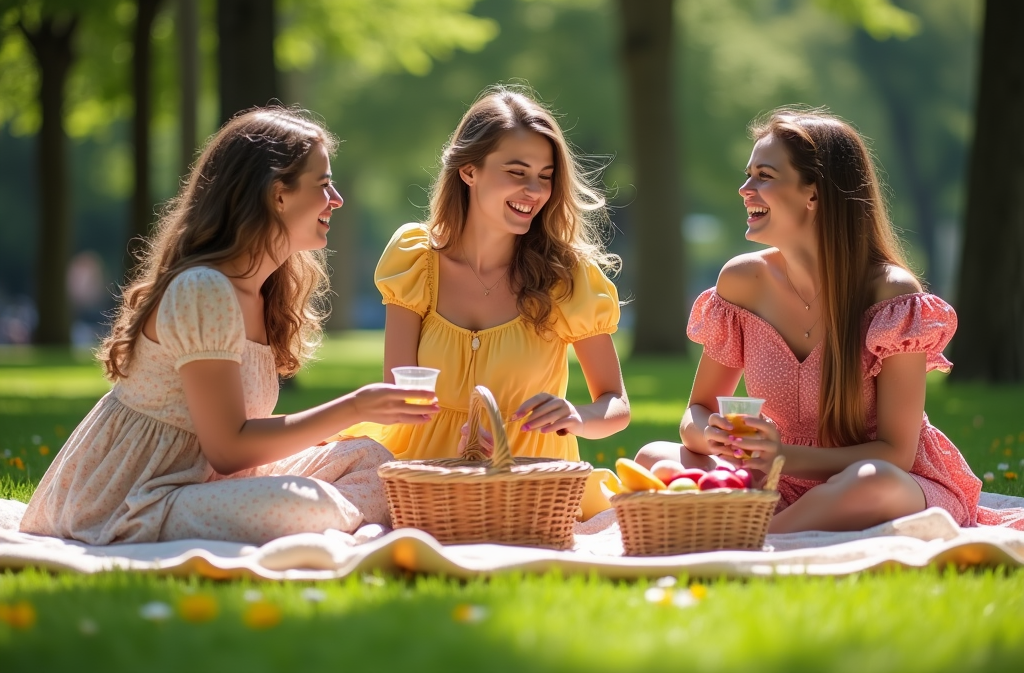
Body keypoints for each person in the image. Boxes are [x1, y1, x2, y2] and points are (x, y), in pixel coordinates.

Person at [20, 107, 438, 546]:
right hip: (137, 498)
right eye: (322, 185)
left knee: (372, 460)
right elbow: (229, 448)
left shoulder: (263, 291)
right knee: (305, 504)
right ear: (279, 195)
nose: (336, 199)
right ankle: (342, 522)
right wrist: (355, 406)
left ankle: (339, 521)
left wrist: (347, 428)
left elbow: (236, 447)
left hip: (209, 482)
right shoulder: (204, 289)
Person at [636, 107, 1023, 533]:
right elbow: (698, 410)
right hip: (777, 479)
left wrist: (782, 454)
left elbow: (895, 452)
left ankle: (754, 533)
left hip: (882, 480)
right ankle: (770, 523)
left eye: (764, 175)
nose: (745, 189)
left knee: (871, 484)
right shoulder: (741, 281)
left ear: (814, 193)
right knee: (654, 456)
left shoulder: (892, 296)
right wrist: (718, 437)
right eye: (749, 175)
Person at [335, 86, 629, 515]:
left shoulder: (567, 279)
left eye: (545, 176)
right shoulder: (416, 262)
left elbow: (616, 406)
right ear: (469, 171)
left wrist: (576, 415)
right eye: (517, 171)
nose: (534, 190)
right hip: (421, 475)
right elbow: (398, 397)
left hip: (530, 485)